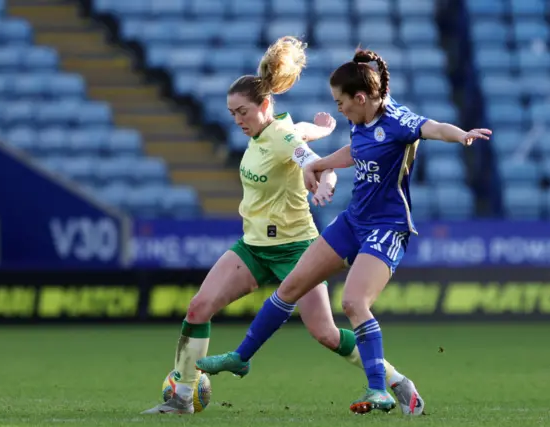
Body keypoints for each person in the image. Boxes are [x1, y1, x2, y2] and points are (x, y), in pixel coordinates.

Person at [196, 48, 492, 415]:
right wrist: (320, 164)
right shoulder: (359, 116)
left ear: (361, 98)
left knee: (353, 303)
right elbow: (355, 150)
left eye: (341, 102)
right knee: (290, 288)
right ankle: (241, 357)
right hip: (353, 221)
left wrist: (461, 134)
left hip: (387, 228)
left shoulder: (397, 121)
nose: (339, 109)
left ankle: (378, 389)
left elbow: (432, 128)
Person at [142, 38, 425, 415]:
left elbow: (309, 157)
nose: (237, 120)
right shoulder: (266, 132)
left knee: (324, 333)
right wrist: (320, 129)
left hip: (295, 248)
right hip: (254, 246)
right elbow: (299, 131)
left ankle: (395, 381)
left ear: (264, 105)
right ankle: (181, 397)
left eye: (242, 112)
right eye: (232, 114)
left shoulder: (280, 137)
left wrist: (324, 181)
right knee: (198, 308)